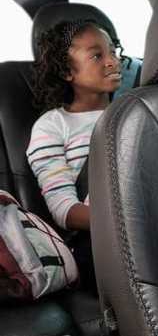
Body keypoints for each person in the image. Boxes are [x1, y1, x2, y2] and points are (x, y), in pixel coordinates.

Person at [27, 19, 122, 233]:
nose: (113, 62)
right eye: (97, 56)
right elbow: (65, 210)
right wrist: (132, 222)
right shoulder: (51, 127)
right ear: (67, 71)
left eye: (113, 52)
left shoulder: (136, 112)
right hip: (105, 239)